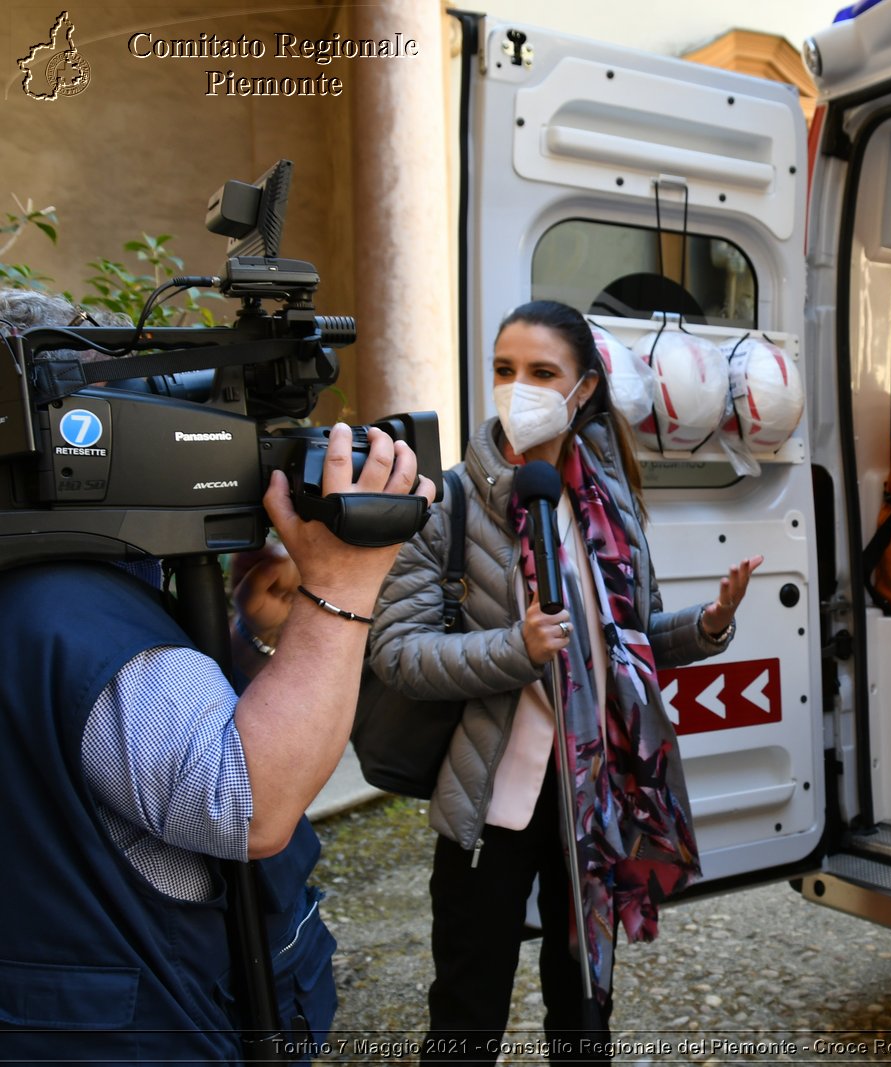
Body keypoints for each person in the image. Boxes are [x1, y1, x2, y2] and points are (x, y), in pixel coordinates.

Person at [0, 288, 435, 1061]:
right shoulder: (67, 608)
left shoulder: (44, 578)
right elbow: (248, 804)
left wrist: (254, 635)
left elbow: (101, 752)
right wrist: (341, 584)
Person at [367, 300, 760, 1065]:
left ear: (582, 390)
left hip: (594, 799)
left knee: (584, 1011)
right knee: (465, 1011)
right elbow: (398, 653)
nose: (520, 388)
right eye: (505, 370)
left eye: (542, 372)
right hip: (491, 801)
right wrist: (516, 647)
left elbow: (632, 641)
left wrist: (710, 623)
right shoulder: (445, 502)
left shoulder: (611, 503)